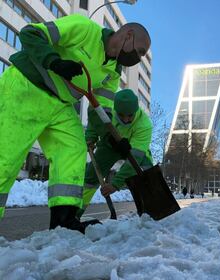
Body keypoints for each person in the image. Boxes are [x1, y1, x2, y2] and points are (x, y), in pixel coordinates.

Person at [0, 14, 150, 233]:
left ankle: (64, 220)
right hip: (26, 86)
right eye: (139, 51)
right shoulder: (85, 29)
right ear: (128, 35)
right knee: (6, 157)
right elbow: (30, 33)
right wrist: (54, 61)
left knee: (73, 148)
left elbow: (102, 113)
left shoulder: (112, 73)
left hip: (60, 104)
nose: (137, 58)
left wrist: (112, 140)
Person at [77, 89, 153, 219]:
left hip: (132, 149)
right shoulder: (106, 112)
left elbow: (135, 158)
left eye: (130, 115)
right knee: (90, 177)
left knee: (147, 173)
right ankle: (74, 214)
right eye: (121, 115)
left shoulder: (144, 125)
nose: (125, 119)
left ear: (135, 110)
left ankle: (151, 209)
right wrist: (91, 137)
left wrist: (115, 184)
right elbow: (94, 123)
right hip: (109, 146)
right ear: (116, 110)